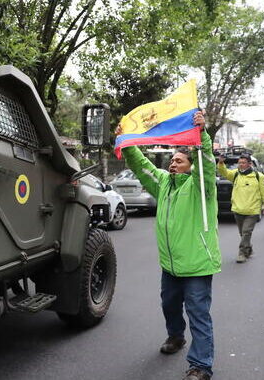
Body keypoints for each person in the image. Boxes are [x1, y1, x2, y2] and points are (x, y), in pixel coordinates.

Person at [115, 111, 220, 380]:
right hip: (170, 265)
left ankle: (201, 366)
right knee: (170, 306)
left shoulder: (201, 187)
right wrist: (126, 143)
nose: (173, 164)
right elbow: (142, 166)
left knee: (198, 315)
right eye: (172, 160)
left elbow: (206, 164)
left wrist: (202, 136)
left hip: (196, 265)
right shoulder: (163, 184)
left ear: (190, 165)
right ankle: (176, 337)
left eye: (180, 160)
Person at [217, 154, 264, 263]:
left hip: (252, 211)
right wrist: (221, 163)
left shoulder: (258, 176)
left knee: (246, 232)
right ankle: (248, 248)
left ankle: (242, 253)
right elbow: (225, 173)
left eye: (243, 163)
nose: (240, 165)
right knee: (243, 234)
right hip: (238, 210)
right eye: (239, 163)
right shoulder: (236, 174)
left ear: (249, 164)